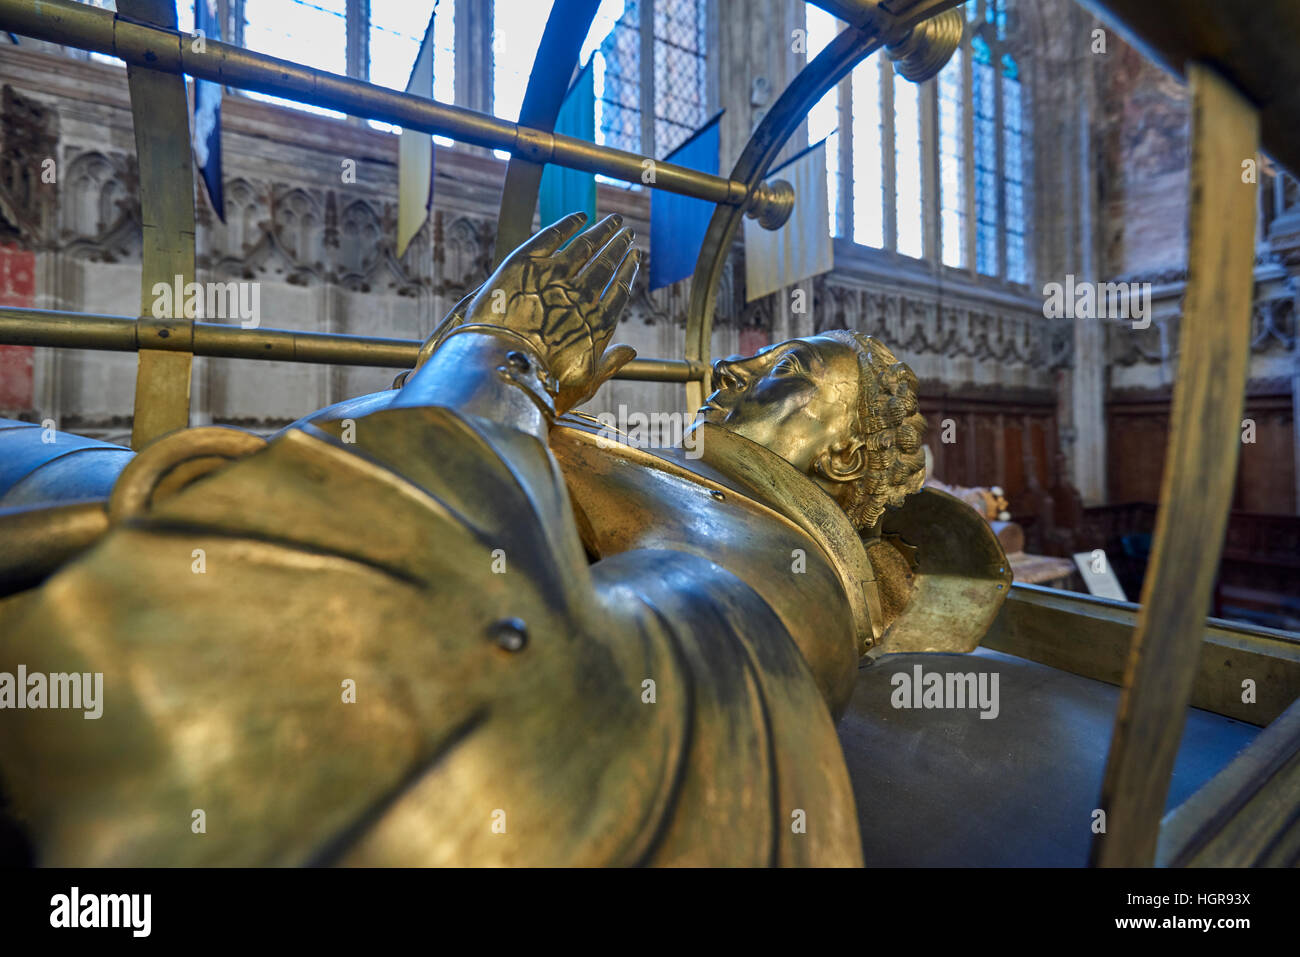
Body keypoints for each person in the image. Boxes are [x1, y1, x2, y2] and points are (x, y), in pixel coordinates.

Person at [0, 213, 1006, 866]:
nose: (732, 376)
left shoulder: (770, 564)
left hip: (132, 576)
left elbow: (478, 667)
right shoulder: (726, 510)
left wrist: (496, 353)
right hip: (160, 511)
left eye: (781, 376)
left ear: (837, 465)